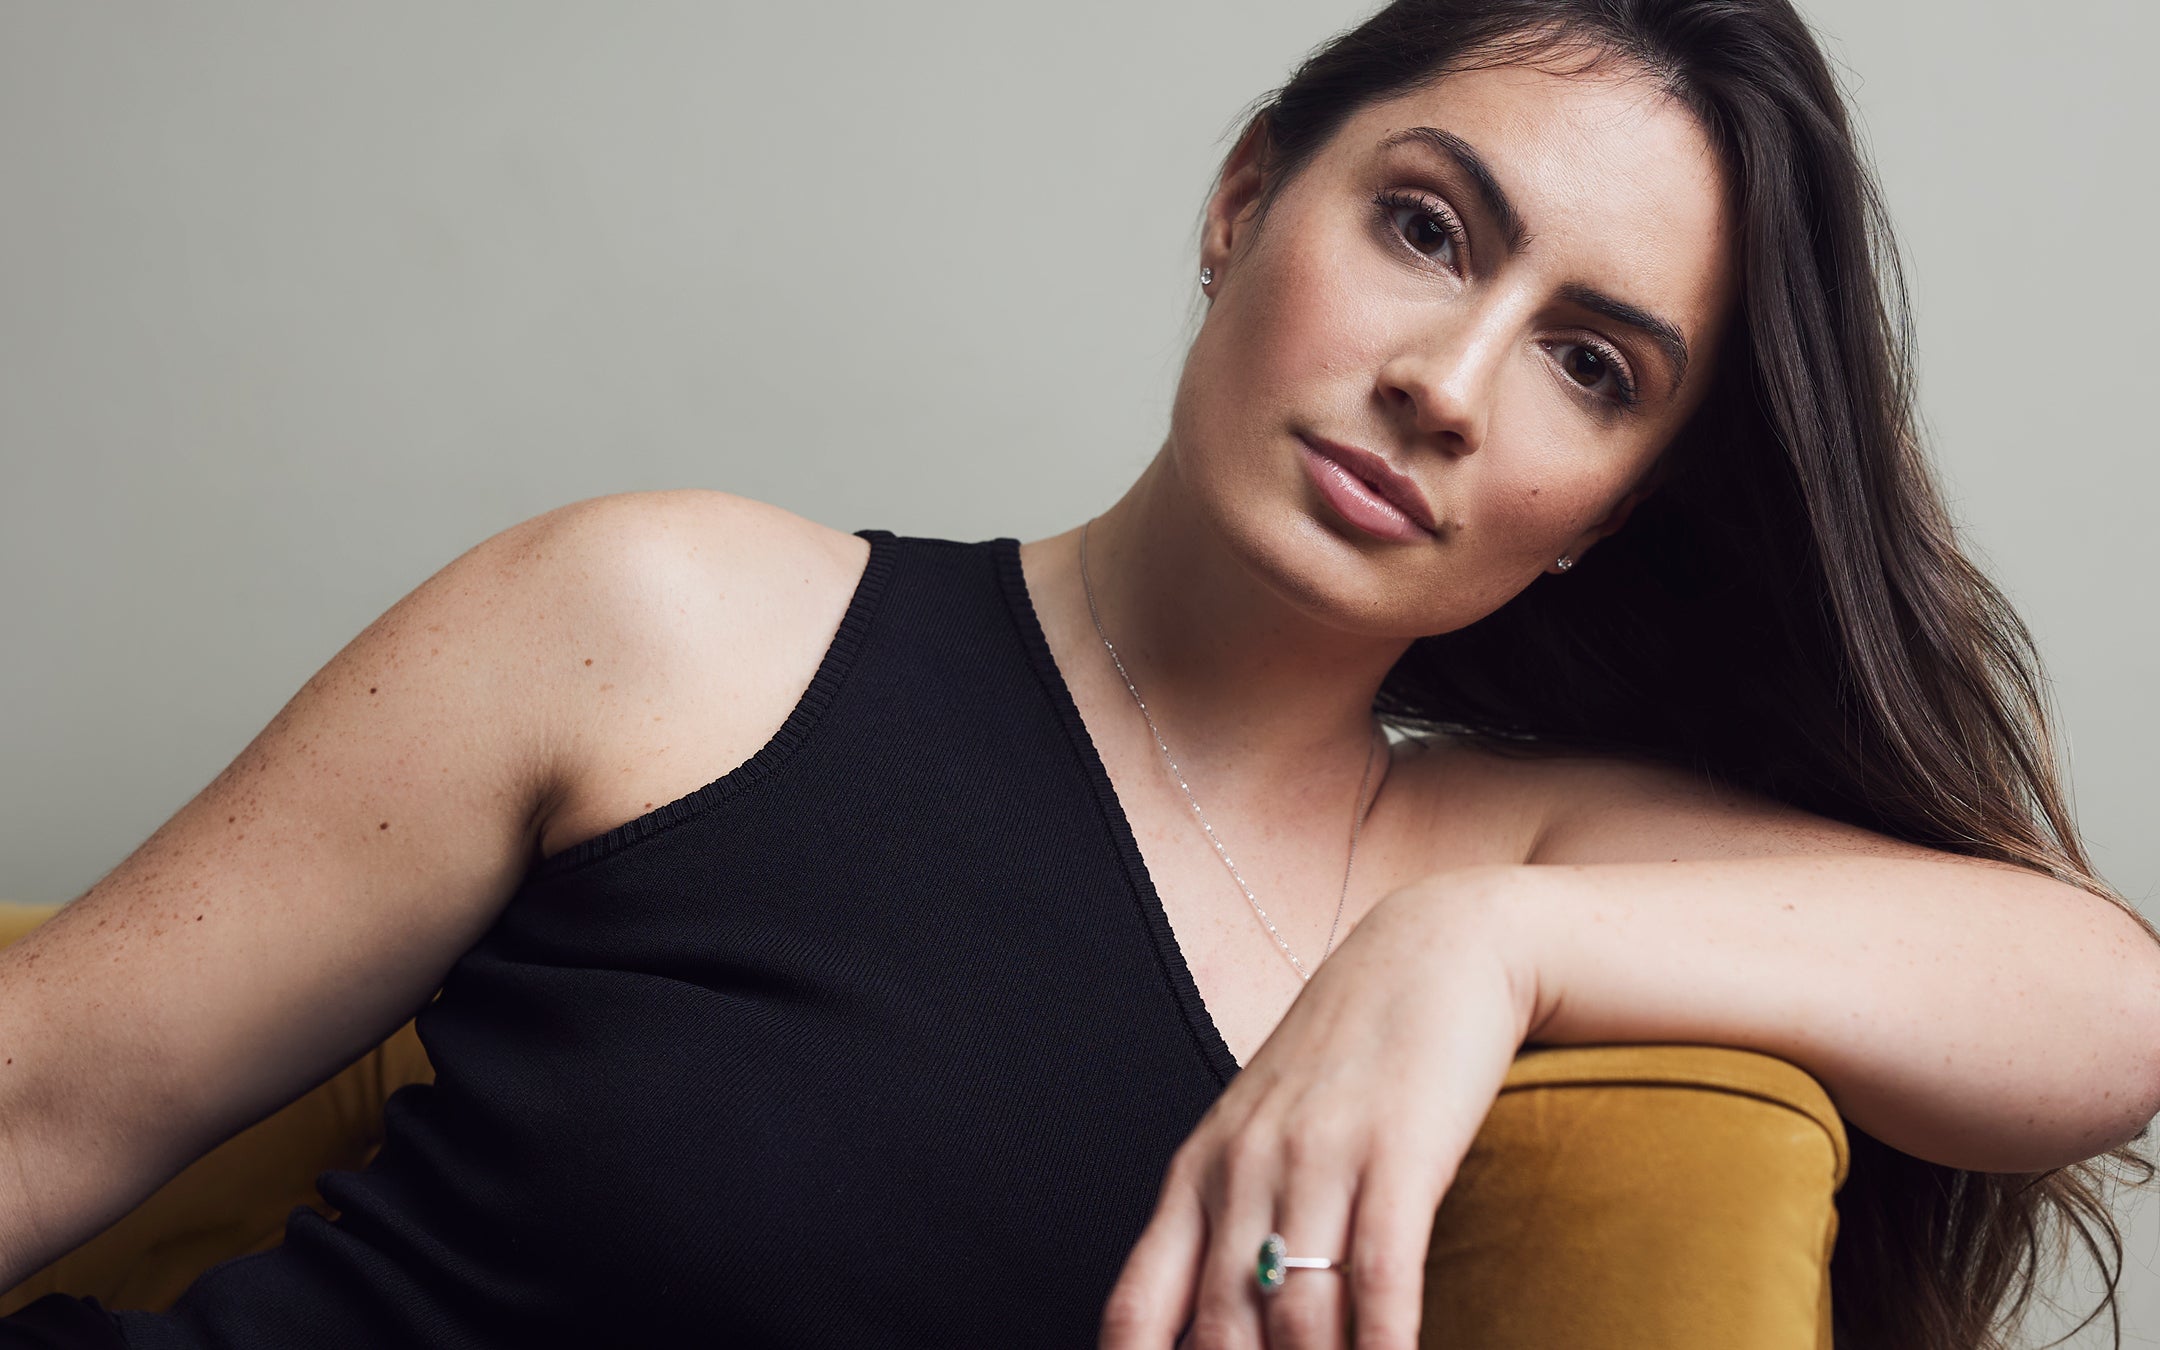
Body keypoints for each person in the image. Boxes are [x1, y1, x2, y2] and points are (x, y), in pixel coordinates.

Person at [3, 1, 2156, 1347]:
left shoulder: (1497, 851)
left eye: (1591, 366)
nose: (1447, 384)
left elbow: (2105, 1010)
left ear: (1606, 505)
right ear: (1245, 200)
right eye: (1427, 226)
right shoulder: (678, 620)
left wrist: (1485, 946)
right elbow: (46, 1095)